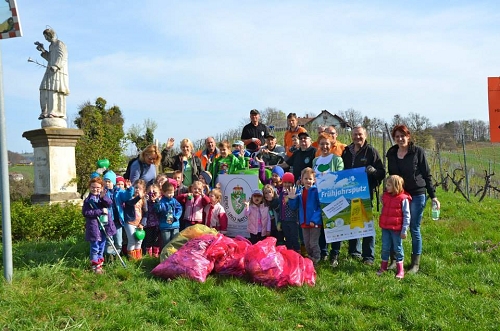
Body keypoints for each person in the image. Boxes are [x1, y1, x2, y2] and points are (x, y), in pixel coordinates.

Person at [386, 124, 440, 274]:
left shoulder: (417, 152)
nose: (400, 138)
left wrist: (434, 196)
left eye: (402, 135)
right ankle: (395, 260)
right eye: (397, 136)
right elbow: (391, 176)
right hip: (399, 195)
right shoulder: (391, 153)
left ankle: (415, 264)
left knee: (414, 227)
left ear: (408, 136)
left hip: (417, 194)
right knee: (394, 227)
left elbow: (427, 174)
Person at [341, 125, 385, 265]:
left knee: (366, 224)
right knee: (353, 221)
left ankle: (368, 256)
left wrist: (373, 172)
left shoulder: (371, 151)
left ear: (365, 135)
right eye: (354, 134)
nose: (357, 137)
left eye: (360, 134)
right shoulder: (346, 151)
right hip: (349, 193)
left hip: (365, 193)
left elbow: (382, 172)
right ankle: (354, 252)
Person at [311, 133, 344, 264]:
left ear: (331, 145)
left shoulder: (337, 160)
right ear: (318, 145)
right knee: (322, 226)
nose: (324, 146)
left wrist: (329, 176)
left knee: (335, 226)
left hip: (333, 198)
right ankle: (323, 252)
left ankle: (334, 254)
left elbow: (341, 176)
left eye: (327, 144)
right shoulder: (315, 161)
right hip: (319, 198)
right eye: (322, 144)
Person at [377, 175, 411, 279]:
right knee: (385, 247)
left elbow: (407, 215)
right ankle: (383, 267)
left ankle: (400, 269)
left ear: (396, 186)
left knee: (398, 248)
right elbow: (382, 203)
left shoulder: (403, 199)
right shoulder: (386, 196)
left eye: (388, 185)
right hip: (386, 227)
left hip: (397, 229)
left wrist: (404, 230)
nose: (386, 187)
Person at [286, 167, 322, 265]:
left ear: (314, 180)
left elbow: (320, 208)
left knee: (313, 242)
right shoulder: (300, 192)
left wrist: (314, 220)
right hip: (304, 222)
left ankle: (317, 258)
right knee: (306, 243)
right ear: (301, 180)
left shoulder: (316, 192)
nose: (308, 181)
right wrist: (292, 199)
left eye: (310, 179)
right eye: (305, 179)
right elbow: (294, 207)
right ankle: (310, 258)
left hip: (314, 223)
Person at [35, 28, 69, 120]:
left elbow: (63, 56)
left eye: (46, 36)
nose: (45, 39)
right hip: (50, 70)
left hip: (58, 71)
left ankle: (54, 111)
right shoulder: (51, 46)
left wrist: (56, 66)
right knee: (43, 88)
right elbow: (50, 58)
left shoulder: (59, 44)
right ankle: (45, 111)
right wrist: (43, 50)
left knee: (54, 89)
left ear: (50, 35)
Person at [82, 176, 114, 274]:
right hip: (94, 227)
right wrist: (100, 211)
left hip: (103, 226)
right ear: (89, 187)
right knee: (95, 247)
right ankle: (95, 266)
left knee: (102, 247)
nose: (95, 189)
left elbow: (109, 204)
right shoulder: (88, 201)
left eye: (98, 188)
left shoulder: (102, 197)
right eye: (93, 187)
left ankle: (99, 266)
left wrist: (103, 197)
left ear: (101, 188)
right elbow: (86, 213)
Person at [123, 179, 147, 260]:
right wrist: (138, 197)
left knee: (139, 240)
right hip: (129, 222)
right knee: (132, 240)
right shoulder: (129, 197)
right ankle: (131, 259)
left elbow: (146, 212)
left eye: (139, 188)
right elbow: (131, 203)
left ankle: (138, 258)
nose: (137, 190)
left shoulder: (143, 200)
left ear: (143, 190)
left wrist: (142, 223)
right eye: (136, 187)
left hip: (138, 223)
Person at [154, 181, 183, 249]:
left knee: (175, 241)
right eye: (169, 193)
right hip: (165, 226)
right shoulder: (162, 202)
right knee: (166, 242)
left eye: (172, 192)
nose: (171, 194)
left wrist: (175, 217)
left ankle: (174, 255)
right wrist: (157, 204)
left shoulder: (174, 201)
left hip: (175, 225)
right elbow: (158, 210)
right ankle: (166, 255)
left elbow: (179, 209)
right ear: (164, 193)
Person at [278, 172, 300, 253]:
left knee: (294, 237)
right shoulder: (282, 194)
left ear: (292, 183)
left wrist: (291, 199)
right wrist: (279, 221)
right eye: (285, 182)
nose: (287, 184)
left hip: (293, 220)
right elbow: (281, 208)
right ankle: (290, 254)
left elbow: (295, 207)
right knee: (287, 238)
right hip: (284, 220)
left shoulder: (296, 193)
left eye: (289, 182)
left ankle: (297, 252)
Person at [144, 184, 162, 258]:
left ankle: (156, 254)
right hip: (148, 224)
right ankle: (149, 255)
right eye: (150, 193)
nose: (152, 195)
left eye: (154, 193)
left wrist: (156, 201)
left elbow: (159, 210)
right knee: (149, 240)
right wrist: (146, 199)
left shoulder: (159, 202)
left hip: (157, 224)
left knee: (156, 241)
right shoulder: (147, 202)